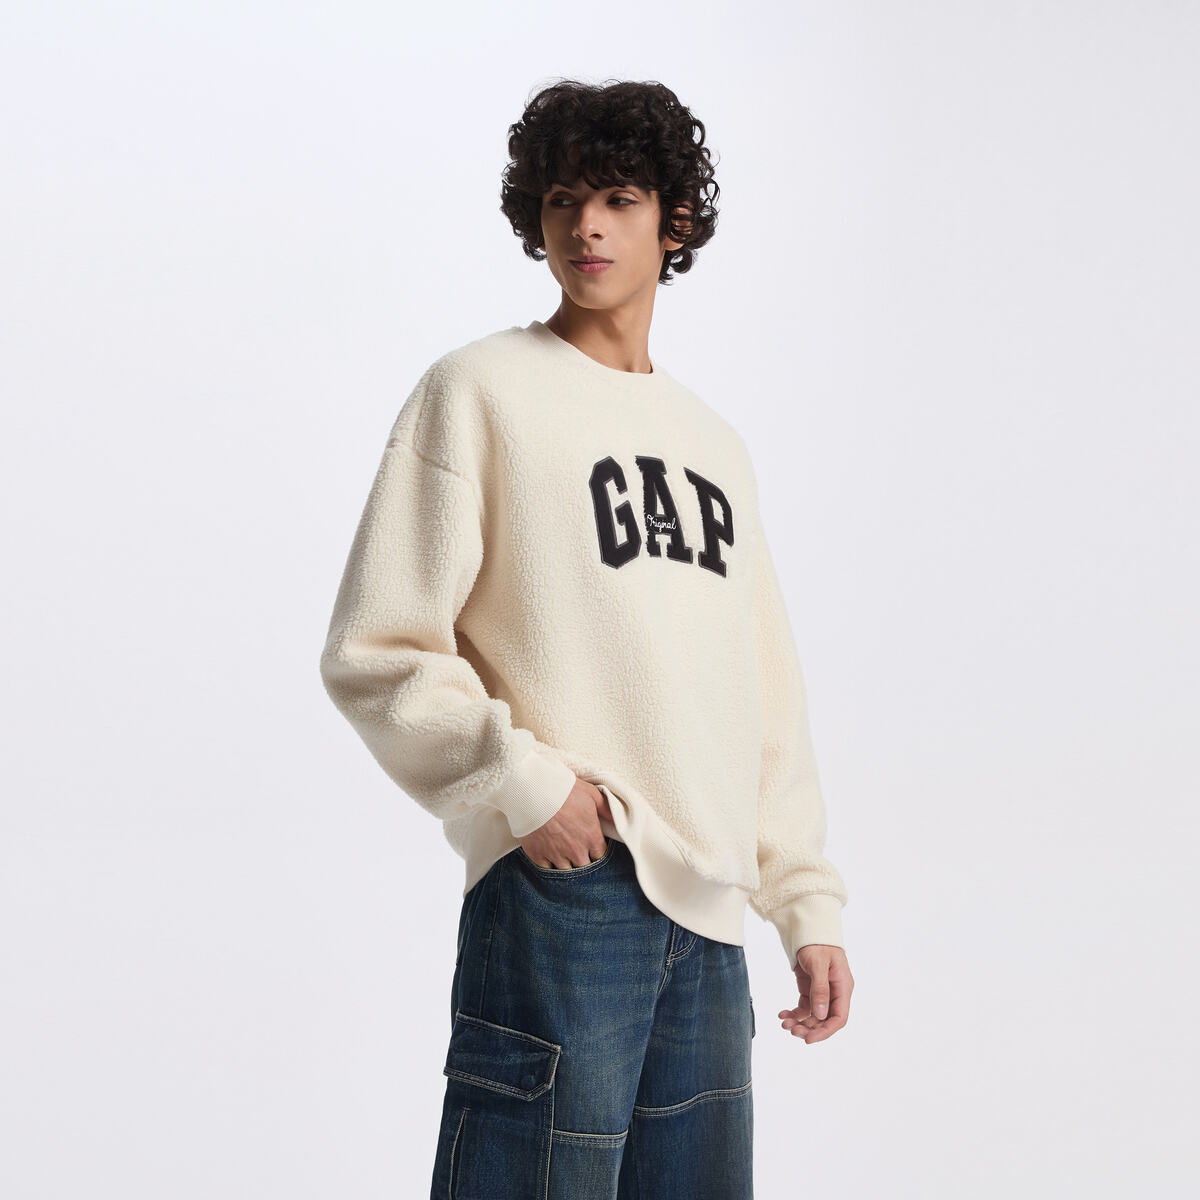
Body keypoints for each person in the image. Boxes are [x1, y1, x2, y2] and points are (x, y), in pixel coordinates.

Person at [319, 77, 855, 1199]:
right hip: (568, 889)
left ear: (676, 222)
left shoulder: (715, 444)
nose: (587, 228)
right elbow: (378, 646)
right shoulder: (479, 392)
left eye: (618, 198)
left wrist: (803, 900)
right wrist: (527, 785)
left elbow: (762, 696)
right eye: (563, 200)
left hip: (709, 924)